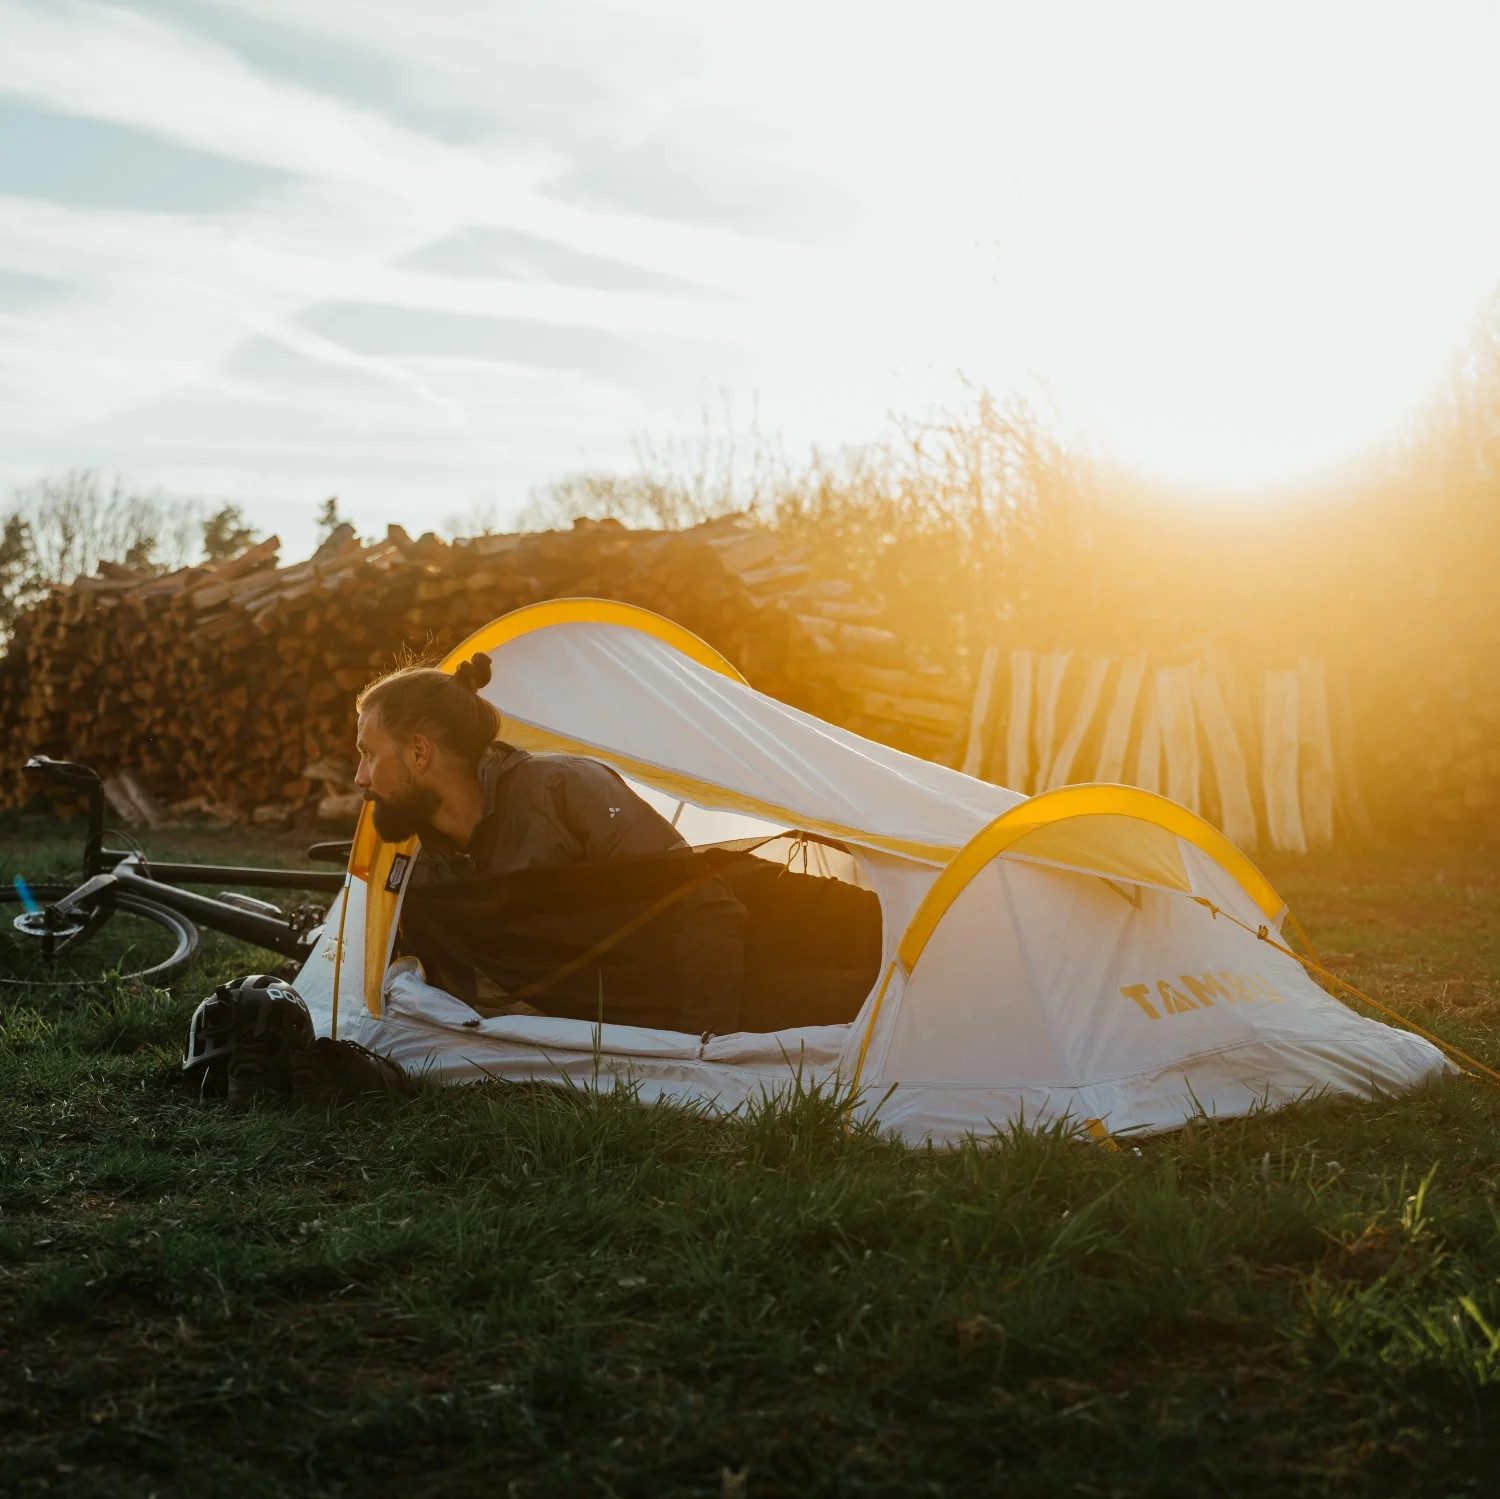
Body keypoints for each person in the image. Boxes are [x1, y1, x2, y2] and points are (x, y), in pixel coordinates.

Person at [353, 653, 746, 1034]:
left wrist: (698, 1049)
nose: (360, 779)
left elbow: (702, 907)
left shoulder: (565, 790)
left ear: (419, 752)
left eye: (369, 755)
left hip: (656, 1018)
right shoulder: (415, 857)